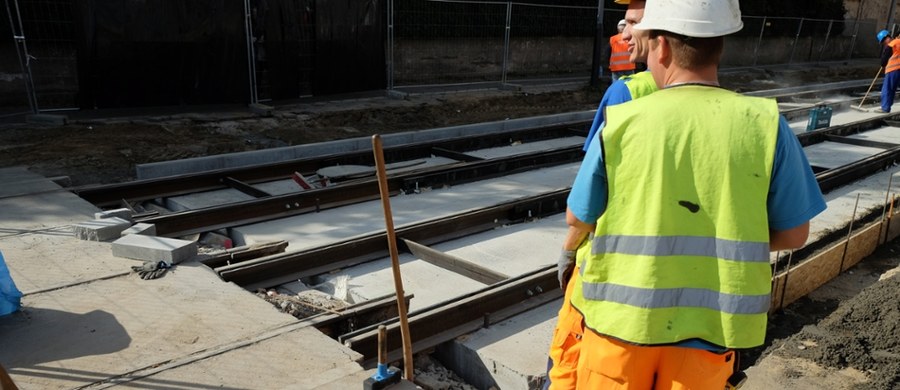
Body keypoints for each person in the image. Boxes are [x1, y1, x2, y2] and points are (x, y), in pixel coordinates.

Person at [565, 0, 827, 388]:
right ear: (718, 46)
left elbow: (578, 219)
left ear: (663, 47)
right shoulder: (767, 125)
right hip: (710, 333)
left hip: (619, 328)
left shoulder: (622, 124)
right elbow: (794, 235)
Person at [543, 1, 657, 389]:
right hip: (689, 319)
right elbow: (790, 234)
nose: (625, 33)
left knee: (567, 366)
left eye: (634, 23)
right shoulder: (741, 113)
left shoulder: (625, 96)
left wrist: (569, 250)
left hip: (609, 281)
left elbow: (586, 204)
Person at [878, 29, 899, 113]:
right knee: (892, 89)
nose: (884, 44)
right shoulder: (898, 42)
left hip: (893, 69)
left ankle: (885, 108)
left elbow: (883, 61)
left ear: (887, 37)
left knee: (887, 89)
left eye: (883, 41)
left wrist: (883, 64)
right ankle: (887, 106)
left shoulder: (892, 44)